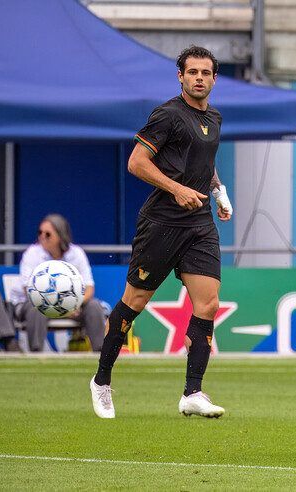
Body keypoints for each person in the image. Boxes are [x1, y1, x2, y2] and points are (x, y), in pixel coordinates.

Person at [90, 45, 233, 419]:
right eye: (192, 72)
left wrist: (219, 192)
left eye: (205, 72)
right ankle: (102, 380)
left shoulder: (214, 118)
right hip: (162, 224)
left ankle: (192, 392)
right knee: (134, 303)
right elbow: (136, 162)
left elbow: (205, 163)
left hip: (200, 223)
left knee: (208, 303)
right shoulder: (167, 115)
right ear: (180, 77)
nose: (199, 78)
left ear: (214, 79)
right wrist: (177, 188)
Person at [12, 214, 104, 352]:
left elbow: (89, 287)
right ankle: (36, 354)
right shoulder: (32, 253)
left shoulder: (77, 253)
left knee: (94, 306)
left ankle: (101, 353)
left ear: (61, 235)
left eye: (47, 234)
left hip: (74, 306)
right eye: (40, 233)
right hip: (37, 303)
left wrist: (73, 305)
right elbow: (28, 289)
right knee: (35, 309)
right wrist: (61, 307)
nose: (42, 236)